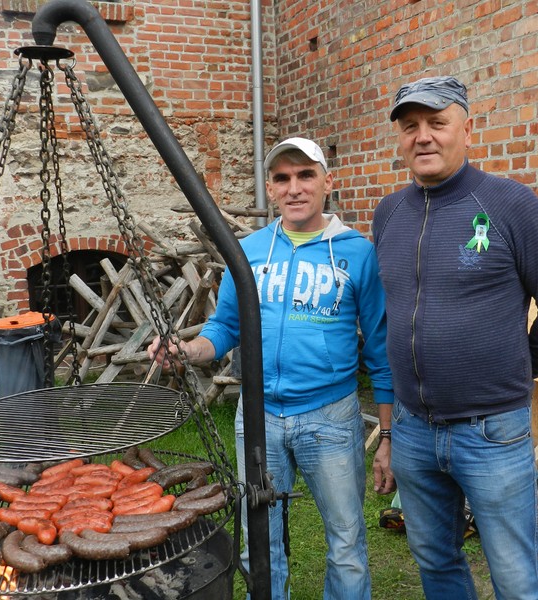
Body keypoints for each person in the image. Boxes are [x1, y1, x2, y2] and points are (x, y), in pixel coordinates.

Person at [148, 137, 395, 599]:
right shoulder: (248, 251)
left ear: (327, 182)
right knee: (258, 542)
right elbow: (225, 327)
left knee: (346, 543)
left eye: (305, 175)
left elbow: (382, 350)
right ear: (271, 188)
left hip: (330, 417)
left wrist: (387, 436)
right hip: (259, 417)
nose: (294, 187)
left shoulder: (358, 253)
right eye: (282, 178)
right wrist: (188, 350)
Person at [372, 75, 538, 600]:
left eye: (437, 123)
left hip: (491, 432)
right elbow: (392, 314)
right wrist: (392, 430)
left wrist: (517, 370)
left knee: (515, 576)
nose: (423, 136)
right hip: (414, 429)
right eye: (410, 126)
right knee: (434, 558)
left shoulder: (511, 205)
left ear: (467, 130)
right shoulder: (388, 213)